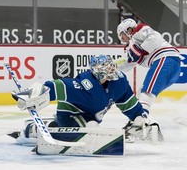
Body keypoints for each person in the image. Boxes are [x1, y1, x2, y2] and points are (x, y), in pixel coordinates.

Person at [10, 55, 163, 145]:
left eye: (111, 66)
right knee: (92, 128)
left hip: (90, 116)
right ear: (97, 71)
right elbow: (57, 87)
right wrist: (34, 93)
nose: (111, 69)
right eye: (106, 67)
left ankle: (37, 128)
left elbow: (131, 106)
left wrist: (140, 120)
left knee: (92, 125)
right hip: (70, 115)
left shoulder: (119, 83)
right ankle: (34, 131)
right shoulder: (84, 84)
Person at [116, 18, 183, 116]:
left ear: (128, 30)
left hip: (165, 59)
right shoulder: (132, 46)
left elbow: (154, 38)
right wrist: (113, 67)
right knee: (141, 94)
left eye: (122, 35)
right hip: (170, 65)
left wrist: (141, 49)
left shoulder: (139, 30)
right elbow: (128, 63)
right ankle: (137, 118)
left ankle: (142, 120)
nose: (122, 39)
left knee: (146, 92)